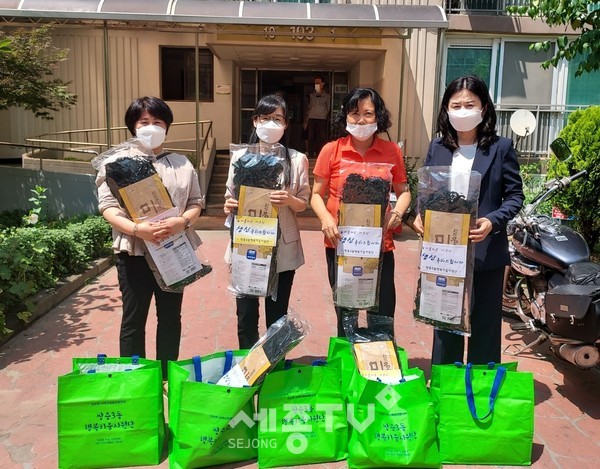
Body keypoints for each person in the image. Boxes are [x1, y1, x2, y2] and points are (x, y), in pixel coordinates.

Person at [413, 75, 524, 365]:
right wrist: (418, 215)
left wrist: (492, 222)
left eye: (469, 105)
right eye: (456, 105)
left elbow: (514, 196)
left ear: (483, 108)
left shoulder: (501, 148)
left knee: (485, 324)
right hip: (444, 250)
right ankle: (444, 385)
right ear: (446, 110)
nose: (462, 111)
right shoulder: (438, 147)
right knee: (444, 321)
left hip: (485, 251)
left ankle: (479, 387)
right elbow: (426, 191)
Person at [96, 96, 204, 379]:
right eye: (145, 122)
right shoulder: (116, 162)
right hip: (134, 252)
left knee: (170, 317)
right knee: (134, 317)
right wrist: (136, 230)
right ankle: (136, 377)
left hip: (173, 251)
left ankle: (167, 377)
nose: (151, 127)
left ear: (167, 127)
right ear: (133, 126)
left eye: (158, 122)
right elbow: (107, 207)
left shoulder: (181, 163)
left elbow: (196, 202)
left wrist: (182, 221)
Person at [311, 87, 411, 338]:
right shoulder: (331, 150)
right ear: (345, 116)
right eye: (354, 113)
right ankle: (348, 365)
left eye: (368, 113)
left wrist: (397, 213)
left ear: (379, 117)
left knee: (382, 309)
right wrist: (325, 219)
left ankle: (379, 364)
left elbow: (404, 192)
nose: (361, 120)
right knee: (346, 311)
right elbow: (316, 195)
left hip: (380, 245)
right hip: (341, 244)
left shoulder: (391, 151)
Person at [224, 94, 310, 349]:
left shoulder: (296, 159)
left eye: (277, 119)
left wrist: (289, 199)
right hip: (247, 243)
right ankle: (248, 370)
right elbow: (229, 196)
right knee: (246, 315)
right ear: (255, 121)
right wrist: (229, 205)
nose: (271, 124)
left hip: (282, 248)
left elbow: (304, 203)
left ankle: (273, 372)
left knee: (277, 315)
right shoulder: (239, 157)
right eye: (266, 118)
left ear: (285, 125)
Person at [304, 75, 331, 158]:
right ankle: (310, 152)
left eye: (318, 82)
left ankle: (321, 153)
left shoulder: (327, 96)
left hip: (322, 118)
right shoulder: (312, 95)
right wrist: (306, 120)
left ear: (322, 84)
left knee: (322, 136)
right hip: (312, 117)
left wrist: (325, 114)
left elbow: (328, 107)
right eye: (315, 83)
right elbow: (309, 107)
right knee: (310, 136)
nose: (317, 84)